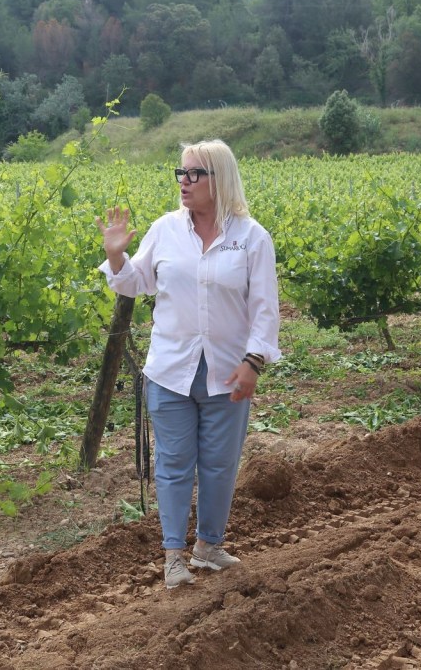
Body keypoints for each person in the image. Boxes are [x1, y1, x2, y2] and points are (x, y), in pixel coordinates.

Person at [96, 139, 281, 589]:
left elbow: (265, 309)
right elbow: (134, 282)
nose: (184, 181)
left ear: (220, 179)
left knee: (219, 464)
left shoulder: (251, 238)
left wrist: (254, 361)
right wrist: (117, 255)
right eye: (181, 172)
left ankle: (209, 546)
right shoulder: (165, 230)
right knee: (174, 463)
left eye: (194, 173)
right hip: (170, 371)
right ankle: (173, 556)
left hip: (228, 371)